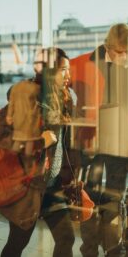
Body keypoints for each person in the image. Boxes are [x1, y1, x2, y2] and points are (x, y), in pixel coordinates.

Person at [0, 47, 78, 257]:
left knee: (66, 238)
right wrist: (40, 141)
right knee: (17, 243)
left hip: (53, 185)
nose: (68, 74)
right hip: (28, 186)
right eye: (63, 69)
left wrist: (71, 176)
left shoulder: (64, 98)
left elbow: (65, 144)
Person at [70, 23, 128, 257]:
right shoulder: (82, 63)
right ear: (107, 46)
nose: (124, 57)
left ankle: (112, 249)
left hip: (118, 145)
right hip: (90, 145)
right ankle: (90, 250)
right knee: (89, 198)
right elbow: (57, 81)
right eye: (119, 52)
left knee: (115, 197)